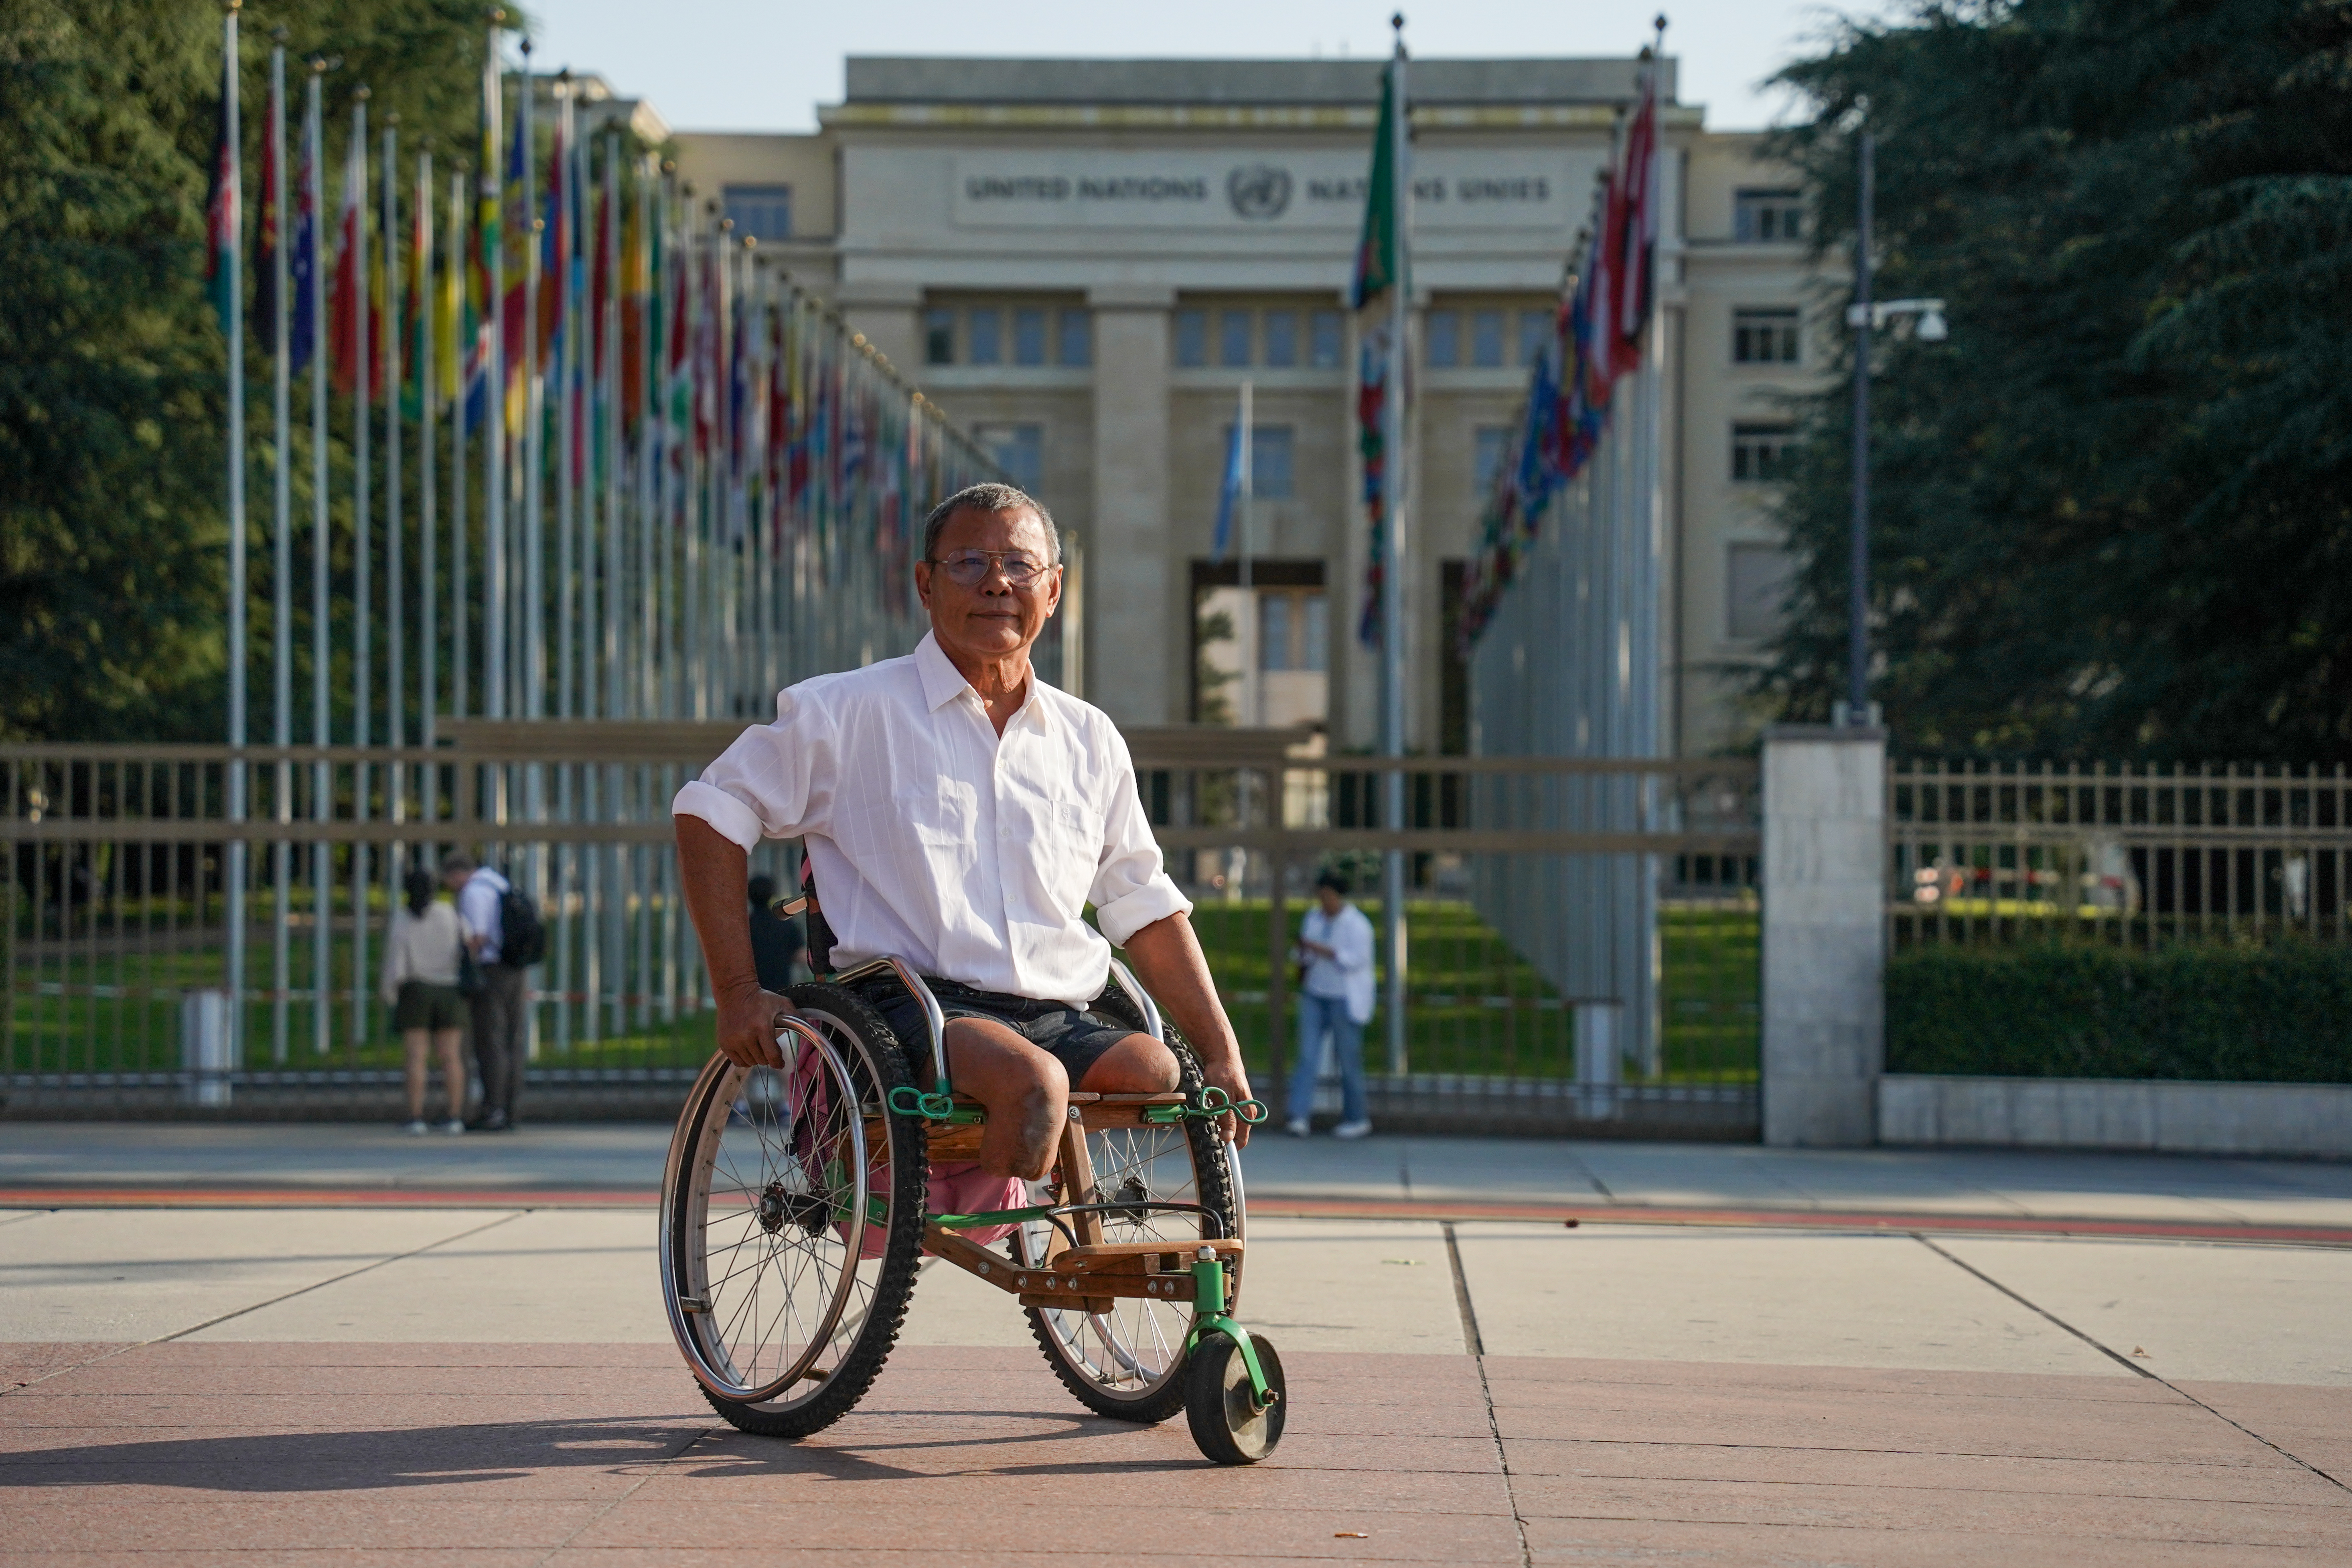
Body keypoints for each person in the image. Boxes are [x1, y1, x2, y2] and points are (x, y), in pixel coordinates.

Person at [673, 481, 1253, 1181]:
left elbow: (1144, 905)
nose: (996, 584)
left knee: (1157, 1068)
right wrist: (737, 990)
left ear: (1054, 588)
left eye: (1018, 565)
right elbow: (710, 812)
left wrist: (1220, 1050)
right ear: (924, 582)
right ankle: (975, 1202)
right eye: (968, 563)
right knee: (1032, 1084)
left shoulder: (1087, 736)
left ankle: (1030, 1212)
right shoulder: (847, 711)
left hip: (1058, 1004)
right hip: (911, 1002)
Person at [1285, 870, 1376, 1139]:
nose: (1324, 902)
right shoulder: (1314, 918)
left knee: (1349, 1059)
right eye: (1321, 896)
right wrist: (1305, 951)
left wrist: (1318, 948)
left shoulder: (1358, 925)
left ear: (1339, 896)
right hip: (1315, 994)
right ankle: (1299, 1116)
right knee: (1307, 1056)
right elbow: (1301, 952)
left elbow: (1353, 960)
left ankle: (1357, 1117)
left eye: (1329, 896)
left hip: (1344, 999)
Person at [381, 866, 470, 1134]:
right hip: (451, 989)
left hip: (416, 988)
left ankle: (416, 1116)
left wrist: (390, 992)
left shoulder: (403, 917)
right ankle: (455, 1116)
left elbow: (395, 960)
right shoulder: (448, 913)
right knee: (451, 1057)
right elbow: (467, 944)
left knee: (416, 1057)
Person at [442, 852, 523, 1133]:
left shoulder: (473, 893)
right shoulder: (499, 884)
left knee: (490, 1042)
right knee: (512, 1039)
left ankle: (493, 1109)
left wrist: (462, 966)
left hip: (491, 971)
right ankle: (510, 1107)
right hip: (514, 969)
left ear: (457, 874)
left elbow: (476, 936)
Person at [744, 873, 809, 993]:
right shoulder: (786, 923)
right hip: (781, 990)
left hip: (752, 990)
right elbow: (800, 955)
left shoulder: (745, 927)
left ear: (748, 896)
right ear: (772, 894)